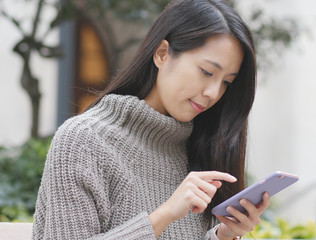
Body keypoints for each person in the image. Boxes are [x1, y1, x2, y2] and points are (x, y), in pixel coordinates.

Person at [32, 0, 271, 239]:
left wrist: (224, 234)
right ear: (162, 53)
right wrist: (164, 215)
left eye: (226, 82)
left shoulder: (201, 146)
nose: (213, 92)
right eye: (207, 72)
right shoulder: (83, 141)